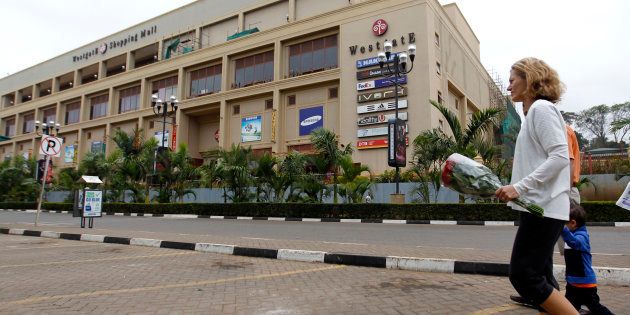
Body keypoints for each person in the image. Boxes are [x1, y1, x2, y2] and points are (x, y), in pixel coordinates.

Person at [495, 57, 578, 314]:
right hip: (537, 207)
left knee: (524, 276)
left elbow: (560, 158)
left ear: (529, 78)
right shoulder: (533, 114)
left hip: (544, 207)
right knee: (539, 277)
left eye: (512, 80)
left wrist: (518, 187)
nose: (508, 87)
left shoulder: (542, 109)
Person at [562, 202, 614, 314]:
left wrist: (562, 229)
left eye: (565, 223)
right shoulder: (572, 233)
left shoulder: (582, 236)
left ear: (573, 223)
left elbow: (574, 242)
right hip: (572, 283)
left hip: (585, 283)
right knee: (569, 308)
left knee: (595, 307)